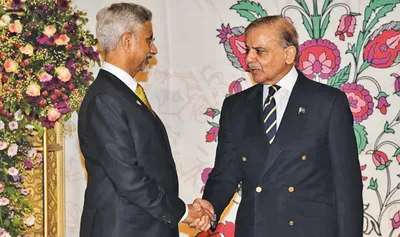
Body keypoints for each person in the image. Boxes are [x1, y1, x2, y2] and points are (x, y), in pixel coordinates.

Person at [196, 15, 363, 237]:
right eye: (247, 50)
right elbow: (226, 172)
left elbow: (347, 187)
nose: (249, 59)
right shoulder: (236, 106)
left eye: (259, 51)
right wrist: (210, 208)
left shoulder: (327, 102)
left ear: (289, 54)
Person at [78, 3, 213, 237]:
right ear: (127, 41)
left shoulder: (120, 94)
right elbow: (129, 178)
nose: (154, 49)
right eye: (149, 40)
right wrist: (183, 212)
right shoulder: (105, 99)